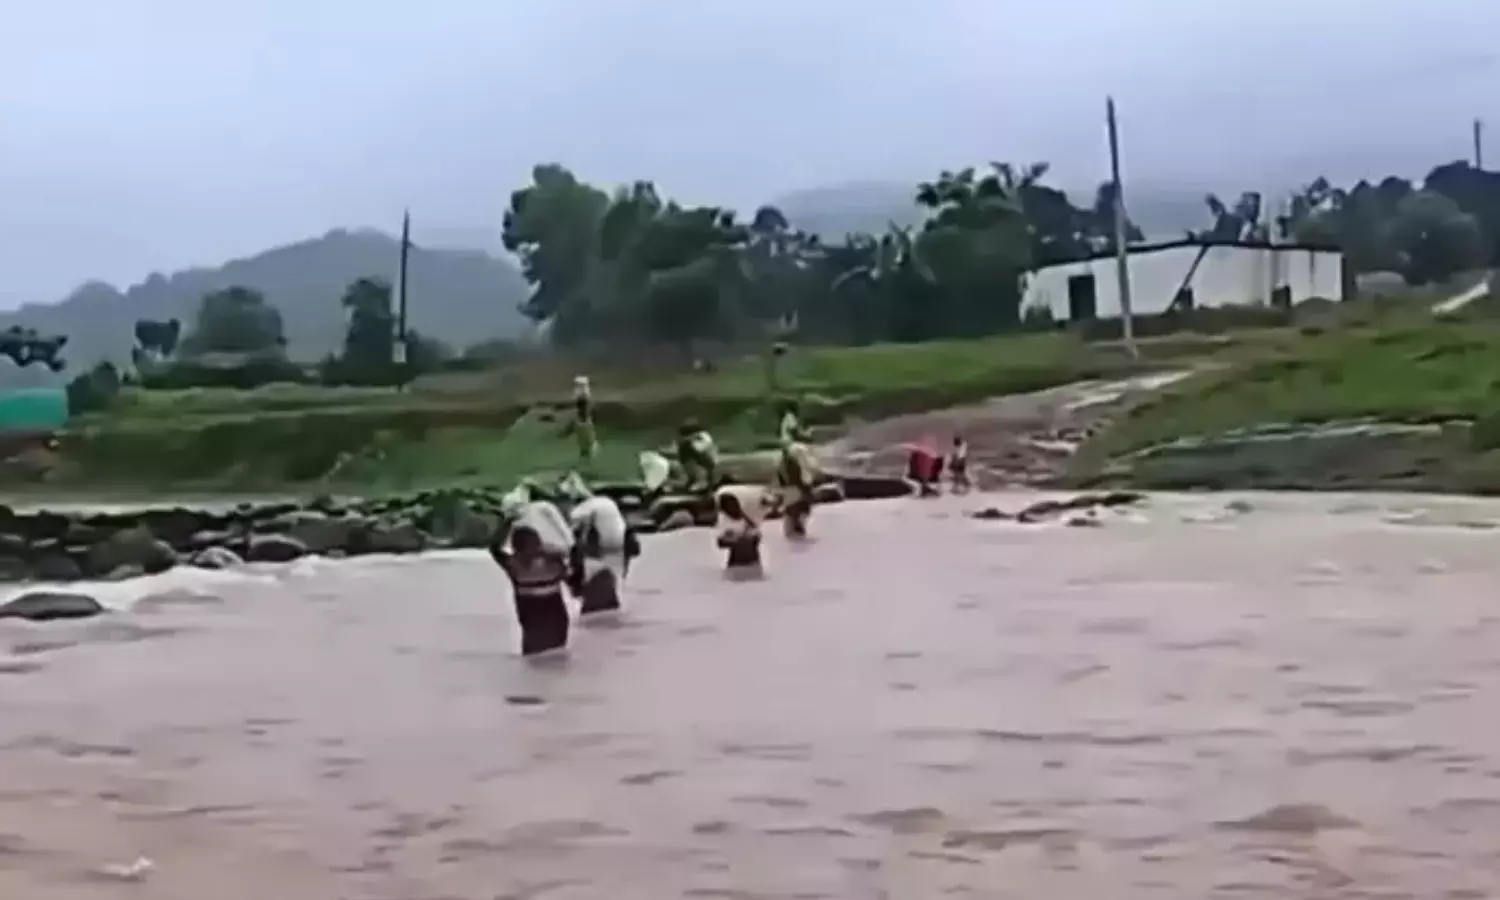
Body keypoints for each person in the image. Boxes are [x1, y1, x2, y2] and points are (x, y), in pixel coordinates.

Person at [488, 516, 572, 656]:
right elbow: (494, 548)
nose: (533, 549)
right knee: (544, 658)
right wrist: (506, 525)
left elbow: (494, 548)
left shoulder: (549, 562)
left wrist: (506, 525)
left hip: (552, 623)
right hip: (538, 625)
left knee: (545, 659)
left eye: (535, 544)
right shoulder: (516, 565)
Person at [567, 494, 638, 615]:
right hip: (618, 545)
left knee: (593, 575)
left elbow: (574, 530)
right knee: (614, 577)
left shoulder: (582, 509)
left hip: (597, 549)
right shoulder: (608, 504)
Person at [715, 490, 764, 579]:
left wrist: (750, 537)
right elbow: (720, 542)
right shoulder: (723, 521)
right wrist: (735, 539)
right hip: (737, 563)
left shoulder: (746, 519)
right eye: (729, 506)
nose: (733, 508)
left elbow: (758, 535)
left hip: (753, 561)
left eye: (734, 504)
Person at [777, 441, 816, 539]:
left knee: (794, 510)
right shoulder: (794, 462)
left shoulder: (786, 462)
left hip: (793, 489)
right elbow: (805, 477)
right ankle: (795, 527)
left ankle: (794, 528)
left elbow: (782, 477)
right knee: (800, 509)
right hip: (798, 488)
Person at [675, 420, 718, 491]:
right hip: (702, 463)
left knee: (687, 450)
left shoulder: (702, 437)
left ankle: (701, 481)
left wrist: (688, 441)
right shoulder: (695, 439)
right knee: (685, 452)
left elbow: (699, 449)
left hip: (706, 465)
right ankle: (692, 479)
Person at [570, 375, 598, 468]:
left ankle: (583, 387)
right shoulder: (587, 445)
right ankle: (583, 387)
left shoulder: (586, 445)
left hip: (584, 424)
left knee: (582, 406)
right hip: (584, 424)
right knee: (583, 406)